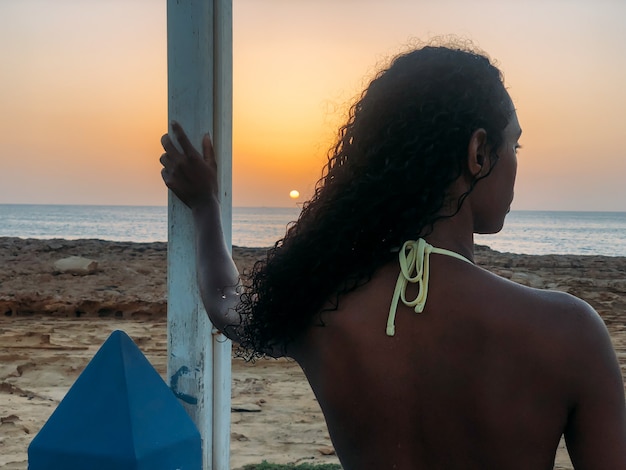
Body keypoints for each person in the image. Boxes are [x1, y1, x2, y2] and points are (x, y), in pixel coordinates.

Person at [160, 42, 626, 469]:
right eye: (515, 144)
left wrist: (205, 206)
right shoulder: (569, 334)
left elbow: (225, 302)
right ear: (478, 152)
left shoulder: (318, 308)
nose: (518, 160)